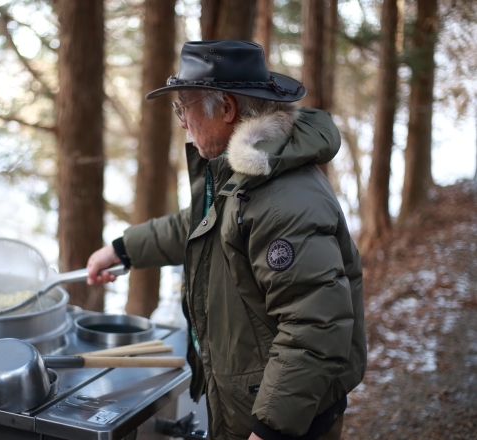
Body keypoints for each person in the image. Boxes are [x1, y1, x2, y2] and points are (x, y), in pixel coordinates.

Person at [86, 40, 366, 440]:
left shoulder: (282, 201)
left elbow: (315, 328)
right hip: (252, 401)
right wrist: (122, 249)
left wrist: (269, 429)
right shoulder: (244, 174)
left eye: (185, 105)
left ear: (228, 109)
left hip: (286, 417)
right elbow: (199, 225)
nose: (181, 120)